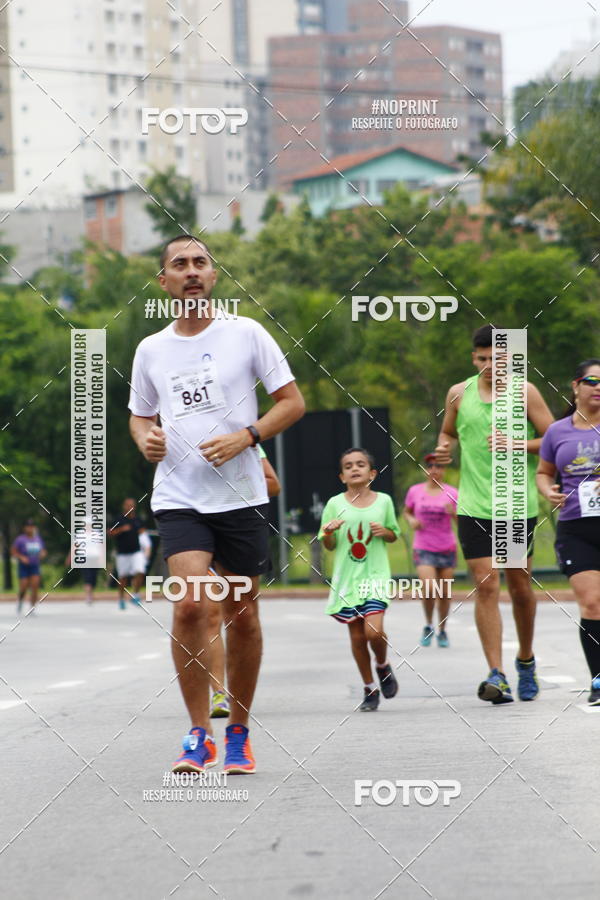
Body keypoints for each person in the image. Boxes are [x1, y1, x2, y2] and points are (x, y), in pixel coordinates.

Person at [128, 234, 304, 774]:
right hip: (179, 496)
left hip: (241, 495)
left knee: (241, 615)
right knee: (188, 606)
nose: (191, 270)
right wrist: (145, 439)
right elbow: (140, 415)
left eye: (200, 262)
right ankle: (198, 733)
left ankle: (239, 734)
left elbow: (292, 403)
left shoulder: (246, 333)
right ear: (164, 281)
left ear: (213, 275)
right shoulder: (151, 349)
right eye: (179, 264)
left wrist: (247, 436)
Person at [436, 324, 554, 704]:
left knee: (519, 588)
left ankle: (525, 660)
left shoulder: (525, 392)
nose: (490, 366)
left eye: (498, 359)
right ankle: (496, 674)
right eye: (483, 359)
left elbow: (554, 440)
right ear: (474, 359)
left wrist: (516, 443)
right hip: (473, 505)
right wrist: (443, 449)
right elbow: (448, 432)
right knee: (486, 585)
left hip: (514, 505)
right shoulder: (458, 393)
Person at [537, 359, 600, 706]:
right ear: (575, 386)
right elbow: (544, 472)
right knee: (591, 602)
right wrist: (547, 490)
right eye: (591, 380)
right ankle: (598, 679)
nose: (598, 387)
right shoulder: (557, 432)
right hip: (576, 528)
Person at [318, 447, 400, 712]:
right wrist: (329, 532)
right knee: (356, 638)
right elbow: (329, 544)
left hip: (375, 577)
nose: (355, 468)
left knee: (373, 632)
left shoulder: (384, 501)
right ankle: (369, 687)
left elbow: (394, 534)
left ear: (372, 473)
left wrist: (385, 531)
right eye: (349, 466)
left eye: (360, 464)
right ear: (342, 476)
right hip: (347, 580)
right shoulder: (334, 504)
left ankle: (382, 665)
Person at [208, 444, 281, 720]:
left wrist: (235, 485)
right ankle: (218, 692)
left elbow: (274, 484)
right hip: (198, 529)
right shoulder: (184, 432)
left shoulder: (245, 441)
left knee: (239, 615)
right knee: (209, 614)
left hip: (235, 528)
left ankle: (237, 695)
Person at [403, 452, 458, 648]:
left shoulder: (453, 493)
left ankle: (442, 629)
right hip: (423, 547)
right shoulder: (415, 491)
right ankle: (428, 624)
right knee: (428, 588)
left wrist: (454, 513)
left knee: (444, 593)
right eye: (430, 466)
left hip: (446, 547)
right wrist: (411, 521)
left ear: (444, 470)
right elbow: (407, 512)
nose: (434, 470)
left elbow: (463, 521)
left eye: (438, 466)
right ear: (425, 470)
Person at [108, 498, 146, 610]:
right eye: (128, 505)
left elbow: (142, 530)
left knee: (140, 571)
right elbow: (110, 532)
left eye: (132, 505)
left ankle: (136, 595)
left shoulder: (137, 519)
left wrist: (142, 532)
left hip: (136, 551)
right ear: (124, 506)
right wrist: (121, 529)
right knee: (123, 577)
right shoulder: (119, 519)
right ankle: (121, 599)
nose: (130, 507)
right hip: (122, 553)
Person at [11, 520, 47, 615]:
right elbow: (13, 551)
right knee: (24, 586)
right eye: (28, 526)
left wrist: (42, 554)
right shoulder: (20, 539)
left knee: (35, 586)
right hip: (24, 566)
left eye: (32, 526)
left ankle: (32, 607)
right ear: (24, 528)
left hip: (34, 566)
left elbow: (43, 551)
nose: (30, 528)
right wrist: (21, 557)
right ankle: (20, 601)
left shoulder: (37, 539)